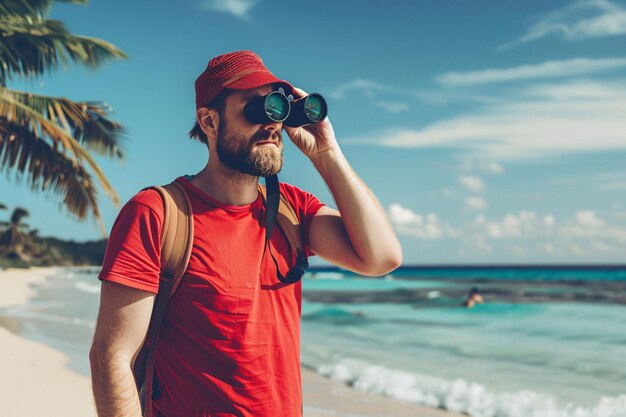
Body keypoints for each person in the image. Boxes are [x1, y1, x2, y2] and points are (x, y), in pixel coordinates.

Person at [89, 50, 402, 417]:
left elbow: (381, 257)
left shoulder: (292, 210)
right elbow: (112, 357)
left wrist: (327, 153)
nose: (271, 124)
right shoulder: (158, 213)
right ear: (209, 120)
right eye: (256, 109)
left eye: (278, 110)